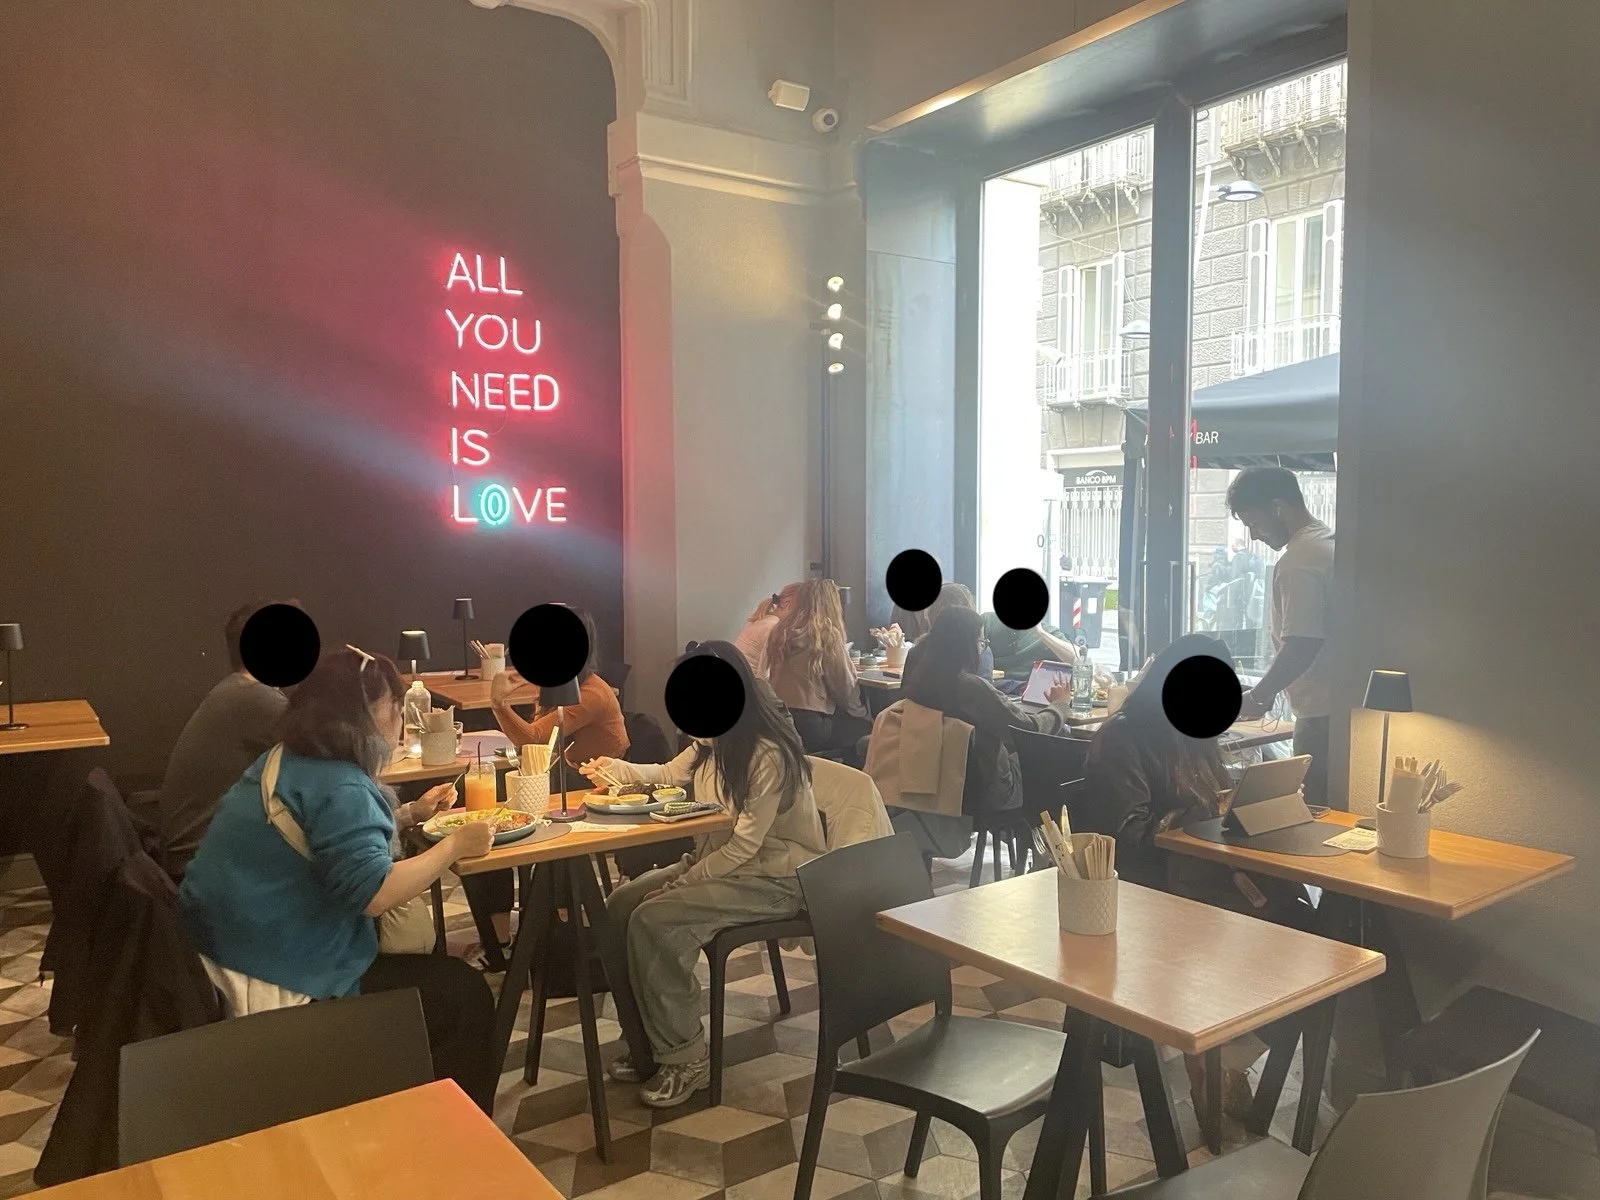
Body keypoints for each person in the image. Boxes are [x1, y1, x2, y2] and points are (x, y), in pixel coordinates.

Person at [178, 647, 500, 1112]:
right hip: (276, 980)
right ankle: (453, 1139)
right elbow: (372, 893)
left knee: (438, 980)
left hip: (220, 955)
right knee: (463, 996)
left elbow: (326, 844)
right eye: (396, 708)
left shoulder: (282, 759)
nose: (401, 719)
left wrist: (407, 814)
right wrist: (454, 846)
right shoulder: (341, 784)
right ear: (368, 713)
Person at [579, 641, 827, 1109]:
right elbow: (664, 774)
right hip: (722, 863)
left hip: (777, 879)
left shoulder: (766, 754)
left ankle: (684, 1053)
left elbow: (747, 846)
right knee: (618, 909)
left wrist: (685, 881)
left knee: (656, 920)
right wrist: (618, 770)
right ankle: (646, 1038)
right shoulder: (711, 743)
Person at [1079, 632, 1314, 1126]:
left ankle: (1232, 1050)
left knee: (1312, 927)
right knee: (1288, 933)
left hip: (1204, 875)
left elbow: (1207, 809)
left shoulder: (1192, 738)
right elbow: (1121, 841)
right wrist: (1199, 820)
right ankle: (1222, 1051)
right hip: (1153, 889)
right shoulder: (1123, 739)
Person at [473, 607, 629, 961]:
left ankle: (549, 938)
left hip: (594, 789)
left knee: (495, 823)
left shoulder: (589, 693)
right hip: (565, 778)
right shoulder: (560, 682)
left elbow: (532, 742)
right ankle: (500, 937)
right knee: (485, 818)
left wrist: (498, 703)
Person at [156, 601, 296, 875]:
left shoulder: (237, 690)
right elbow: (330, 753)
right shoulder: (255, 698)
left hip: (192, 852)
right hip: (202, 862)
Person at [900, 607, 1076, 817]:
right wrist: (1060, 705)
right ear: (967, 645)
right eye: (981, 643)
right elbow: (1029, 730)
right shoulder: (970, 688)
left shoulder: (921, 681)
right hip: (987, 790)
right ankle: (1045, 838)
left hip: (942, 780)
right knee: (1061, 755)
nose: (982, 650)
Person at [1227, 467, 1335, 808]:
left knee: (1316, 811)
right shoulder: (1328, 543)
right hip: (1342, 708)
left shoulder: (1299, 561)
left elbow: (1302, 643)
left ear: (1277, 507)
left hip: (1320, 712)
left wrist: (1261, 694)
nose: (1254, 535)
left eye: (1253, 523)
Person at [766, 579, 870, 757]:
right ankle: (851, 779)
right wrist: (864, 714)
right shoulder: (827, 635)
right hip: (814, 725)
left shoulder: (778, 633)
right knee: (865, 731)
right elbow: (844, 688)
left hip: (779, 719)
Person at [981, 610, 1082, 680]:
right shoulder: (988, 620)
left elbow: (1077, 658)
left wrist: (1040, 633)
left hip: (1024, 692)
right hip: (992, 688)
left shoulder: (1047, 631)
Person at [732, 584, 800, 680]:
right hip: (750, 684)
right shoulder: (773, 628)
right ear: (788, 604)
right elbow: (764, 676)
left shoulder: (763, 619)